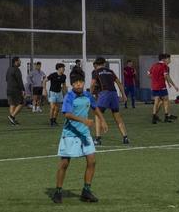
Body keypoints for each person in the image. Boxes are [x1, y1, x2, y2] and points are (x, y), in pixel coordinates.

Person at [53, 71, 99, 203]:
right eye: (75, 83)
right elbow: (67, 114)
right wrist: (83, 121)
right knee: (65, 163)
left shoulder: (87, 95)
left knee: (92, 161)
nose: (78, 85)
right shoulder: (69, 96)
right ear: (72, 84)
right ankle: (58, 191)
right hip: (70, 134)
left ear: (84, 82)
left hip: (84, 134)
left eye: (80, 82)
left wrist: (103, 120)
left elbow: (95, 108)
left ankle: (86, 191)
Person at [91, 57, 129, 145]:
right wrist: (123, 95)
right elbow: (119, 83)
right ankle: (125, 137)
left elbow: (92, 84)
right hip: (114, 94)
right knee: (117, 117)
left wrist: (90, 94)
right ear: (104, 63)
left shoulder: (96, 72)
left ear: (96, 64)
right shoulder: (110, 71)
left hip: (104, 94)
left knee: (98, 115)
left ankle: (97, 139)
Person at [148, 53, 179, 123]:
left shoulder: (154, 65)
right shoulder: (164, 66)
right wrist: (174, 85)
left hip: (154, 86)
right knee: (166, 100)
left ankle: (154, 117)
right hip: (161, 86)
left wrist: (155, 79)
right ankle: (166, 116)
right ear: (164, 59)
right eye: (168, 58)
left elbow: (149, 74)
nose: (169, 60)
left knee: (157, 102)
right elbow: (166, 76)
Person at [45, 62, 68, 127]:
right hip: (52, 92)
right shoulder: (53, 75)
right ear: (58, 68)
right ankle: (51, 121)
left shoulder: (64, 76)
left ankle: (54, 120)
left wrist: (66, 93)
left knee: (57, 108)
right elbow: (44, 81)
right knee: (52, 107)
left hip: (59, 92)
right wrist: (44, 89)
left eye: (64, 68)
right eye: (63, 68)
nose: (64, 69)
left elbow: (64, 85)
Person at [6, 56, 25, 126]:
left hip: (8, 89)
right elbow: (19, 80)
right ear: (16, 61)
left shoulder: (9, 69)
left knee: (12, 104)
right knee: (22, 103)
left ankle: (12, 121)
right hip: (15, 90)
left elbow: (6, 79)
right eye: (19, 61)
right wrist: (23, 89)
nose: (20, 62)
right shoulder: (17, 69)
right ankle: (12, 116)